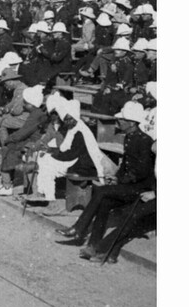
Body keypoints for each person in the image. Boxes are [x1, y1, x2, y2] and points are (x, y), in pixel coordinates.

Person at [55, 102, 156, 257]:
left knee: (101, 191)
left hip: (139, 188)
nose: (119, 121)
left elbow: (142, 172)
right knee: (103, 202)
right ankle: (92, 246)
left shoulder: (144, 140)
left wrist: (121, 180)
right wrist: (116, 177)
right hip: (128, 185)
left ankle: (79, 228)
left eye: (122, 119)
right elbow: (126, 165)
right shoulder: (129, 137)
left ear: (132, 123)